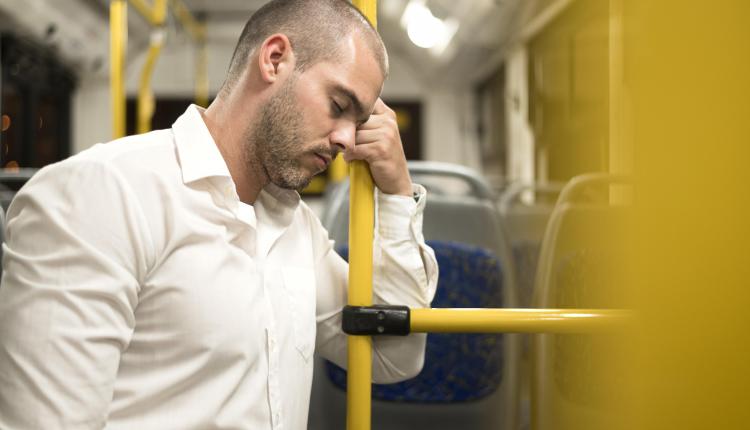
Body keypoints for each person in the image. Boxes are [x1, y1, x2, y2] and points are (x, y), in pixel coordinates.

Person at [0, 0, 438, 429]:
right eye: (339, 106)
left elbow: (391, 356)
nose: (346, 140)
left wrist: (397, 193)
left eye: (359, 122)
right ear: (275, 59)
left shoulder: (295, 229)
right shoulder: (102, 194)